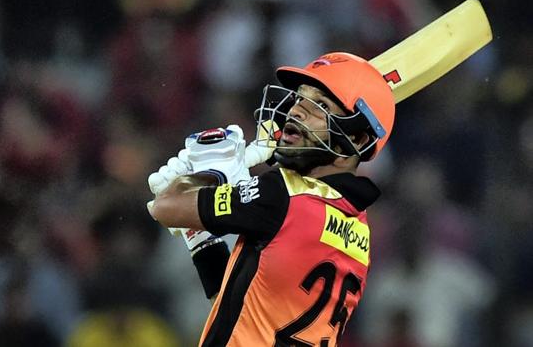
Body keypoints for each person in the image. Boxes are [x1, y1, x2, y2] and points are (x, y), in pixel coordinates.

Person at [148, 52, 395, 347]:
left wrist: (210, 172)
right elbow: (236, 298)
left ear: (357, 140)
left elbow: (165, 207)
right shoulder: (358, 229)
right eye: (299, 100)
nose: (295, 111)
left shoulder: (284, 193)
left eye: (320, 106)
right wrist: (199, 231)